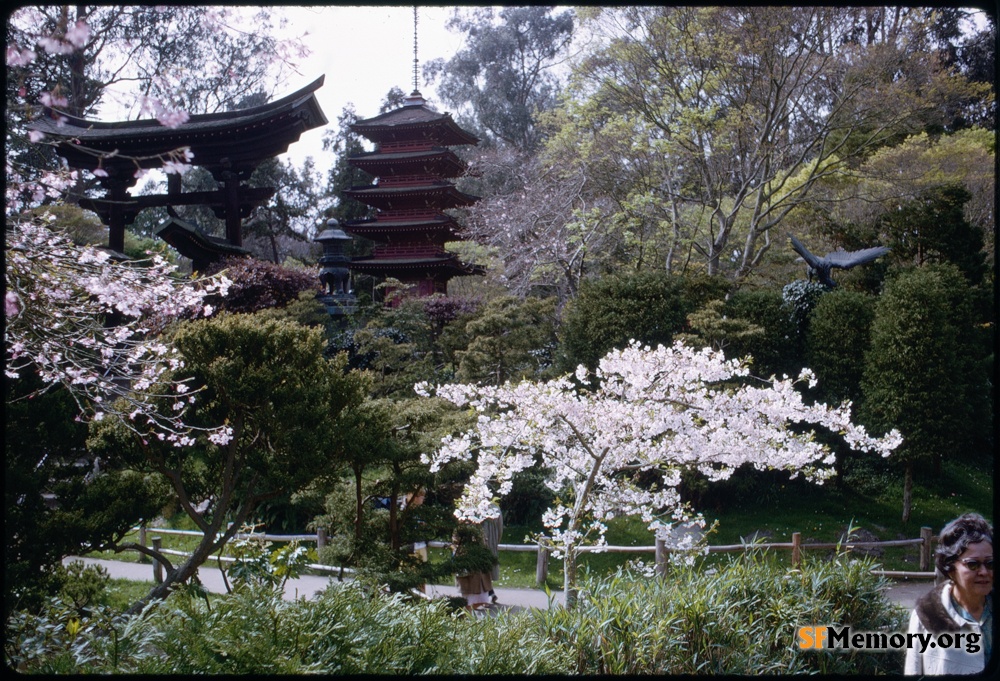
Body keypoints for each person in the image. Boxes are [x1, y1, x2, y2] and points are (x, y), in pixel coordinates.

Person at [904, 513, 993, 675]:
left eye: (990, 563)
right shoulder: (927, 614)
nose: (984, 572)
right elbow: (913, 671)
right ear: (951, 569)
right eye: (973, 564)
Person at [451, 522, 496, 611]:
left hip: (480, 572)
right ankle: (464, 618)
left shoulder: (479, 529)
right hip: (468, 573)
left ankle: (465, 615)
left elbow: (484, 546)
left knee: (482, 600)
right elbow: (457, 547)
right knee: (468, 602)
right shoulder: (459, 530)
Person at [480, 503, 503, 604]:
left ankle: (488, 593)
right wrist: (496, 541)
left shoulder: (477, 507)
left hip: (480, 541)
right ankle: (489, 592)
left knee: (481, 569)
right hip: (492, 541)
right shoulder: (496, 508)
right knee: (486, 568)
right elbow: (500, 527)